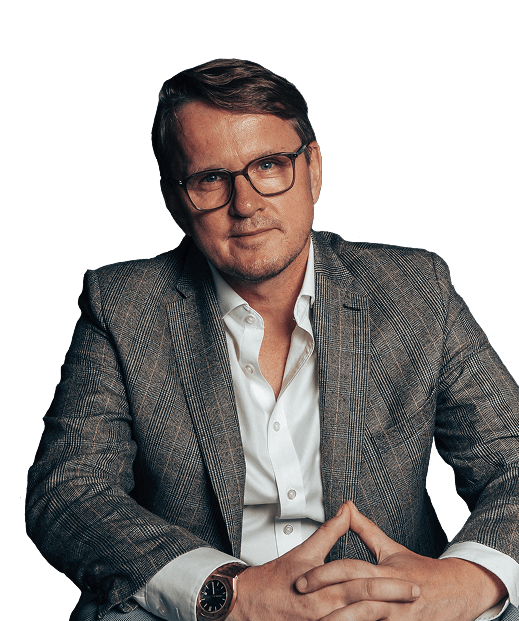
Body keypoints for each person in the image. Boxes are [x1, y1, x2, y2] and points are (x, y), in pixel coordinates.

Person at [26, 58, 519, 621]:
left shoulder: (413, 290)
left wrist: (463, 583)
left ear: (313, 169)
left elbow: (512, 460)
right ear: (173, 200)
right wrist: (227, 593)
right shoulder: (123, 305)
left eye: (268, 164)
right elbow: (69, 492)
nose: (246, 203)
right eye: (210, 179)